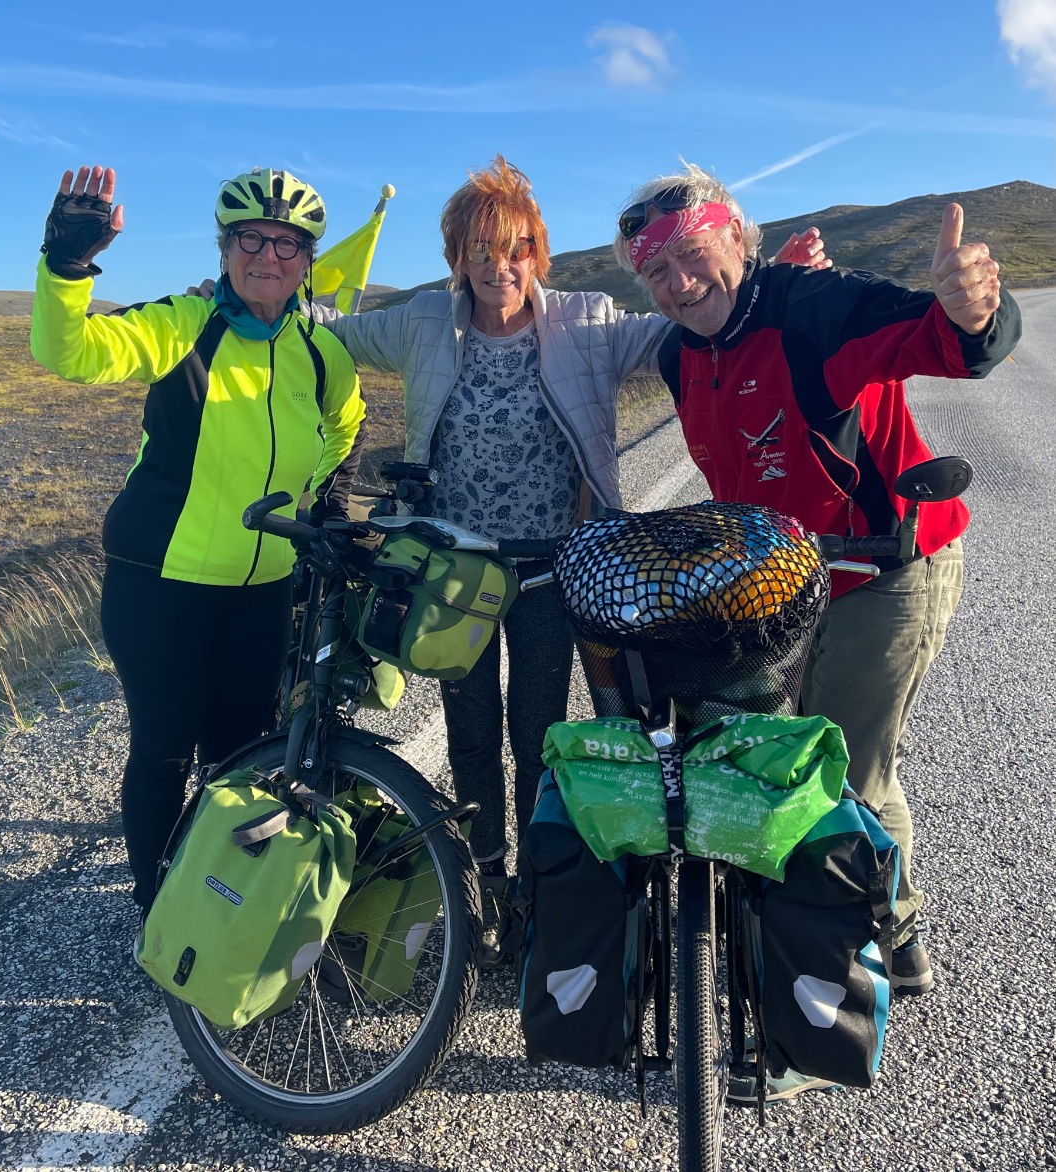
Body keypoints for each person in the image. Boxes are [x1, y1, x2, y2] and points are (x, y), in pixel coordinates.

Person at [292, 157, 830, 968]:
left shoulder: (585, 320)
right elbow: (333, 330)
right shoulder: (424, 323)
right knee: (470, 734)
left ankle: (541, 897)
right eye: (480, 252)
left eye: (514, 250)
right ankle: (481, 888)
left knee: (538, 732)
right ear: (457, 258)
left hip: (549, 570)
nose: (498, 268)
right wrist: (268, 288)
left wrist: (769, 287)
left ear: (536, 252)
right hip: (453, 579)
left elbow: (689, 325)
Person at [612, 164, 1021, 1095]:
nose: (678, 283)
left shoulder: (813, 308)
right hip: (780, 581)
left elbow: (946, 345)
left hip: (888, 564)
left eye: (691, 255)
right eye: (656, 274)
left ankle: (819, 1013)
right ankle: (900, 934)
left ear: (735, 236)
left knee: (834, 776)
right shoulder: (684, 355)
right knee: (799, 760)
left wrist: (972, 313)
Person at [30, 165, 366, 913]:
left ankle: (216, 905)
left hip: (265, 589)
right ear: (224, 249)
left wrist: (324, 495)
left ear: (308, 259)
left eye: (287, 243)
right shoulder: (183, 325)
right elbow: (71, 354)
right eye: (251, 238)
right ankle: (156, 913)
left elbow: (346, 421)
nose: (268, 256)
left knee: (239, 755)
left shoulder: (320, 351)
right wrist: (66, 266)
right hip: (161, 583)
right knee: (161, 750)